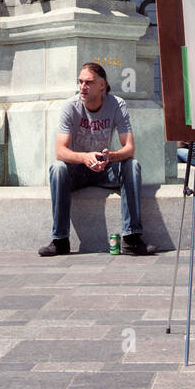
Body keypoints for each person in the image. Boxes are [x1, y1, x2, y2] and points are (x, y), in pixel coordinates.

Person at [39, 62, 157, 257]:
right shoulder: (71, 106)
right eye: (80, 82)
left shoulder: (116, 104)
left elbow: (129, 148)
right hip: (78, 169)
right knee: (58, 168)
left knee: (132, 165)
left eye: (88, 82)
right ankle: (60, 240)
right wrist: (84, 158)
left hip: (105, 166)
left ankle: (131, 239)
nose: (82, 87)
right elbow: (60, 151)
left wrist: (111, 157)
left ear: (102, 85)